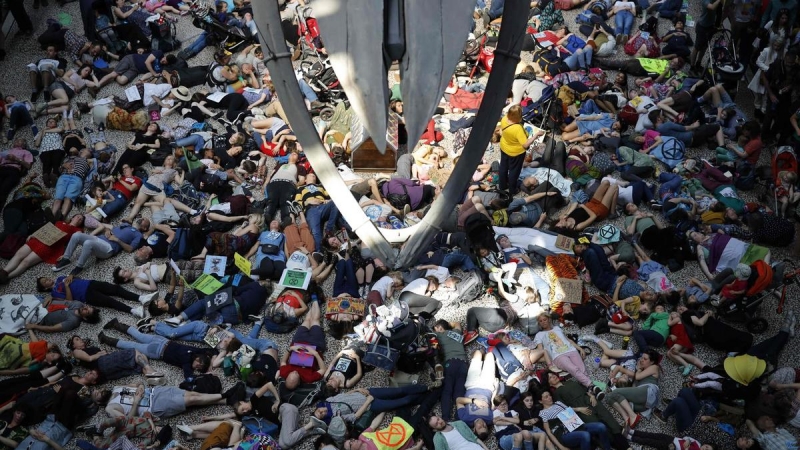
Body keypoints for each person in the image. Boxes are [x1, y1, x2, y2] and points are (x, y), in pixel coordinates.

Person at [54, 218, 149, 275]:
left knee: (88, 243)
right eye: (143, 218)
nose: (143, 218)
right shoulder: (126, 225)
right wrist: (107, 231)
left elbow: (130, 249)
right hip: (100, 239)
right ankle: (66, 259)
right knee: (76, 235)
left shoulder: (138, 235)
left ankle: (79, 266)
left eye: (145, 220)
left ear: (144, 228)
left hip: (109, 248)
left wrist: (117, 240)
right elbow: (111, 228)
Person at [537, 390, 611, 450]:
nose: (550, 397)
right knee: (585, 435)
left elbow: (569, 410)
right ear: (540, 401)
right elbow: (549, 432)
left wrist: (579, 409)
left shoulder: (558, 403)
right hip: (564, 433)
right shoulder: (543, 413)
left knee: (601, 426)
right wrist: (561, 447)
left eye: (549, 395)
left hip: (576, 426)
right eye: (546, 397)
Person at [606, 348, 661, 428]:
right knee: (609, 397)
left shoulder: (654, 367)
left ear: (652, 362)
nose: (641, 360)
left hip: (648, 392)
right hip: (644, 404)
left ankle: (632, 415)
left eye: (645, 359)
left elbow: (638, 377)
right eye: (642, 358)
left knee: (616, 392)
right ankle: (626, 418)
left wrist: (638, 369)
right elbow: (634, 387)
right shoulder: (642, 370)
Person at [105, 383, 226, 419]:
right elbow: (127, 423)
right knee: (193, 399)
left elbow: (138, 382)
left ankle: (224, 400)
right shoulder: (110, 408)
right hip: (154, 406)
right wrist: (136, 401)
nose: (97, 391)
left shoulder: (116, 387)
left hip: (156, 391)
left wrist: (141, 388)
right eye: (94, 395)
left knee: (194, 395)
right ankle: (225, 395)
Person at [498, 105, 543, 196]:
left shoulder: (504, 119)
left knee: (503, 167)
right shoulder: (517, 128)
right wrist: (536, 135)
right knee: (514, 171)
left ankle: (502, 185)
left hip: (504, 147)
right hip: (515, 152)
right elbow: (525, 144)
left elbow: (501, 131)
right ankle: (512, 190)